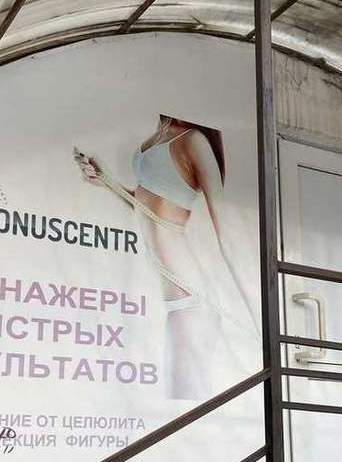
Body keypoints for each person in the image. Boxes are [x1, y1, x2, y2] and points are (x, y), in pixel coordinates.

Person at [73, 115, 258, 399]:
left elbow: (227, 237)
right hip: (175, 300)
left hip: (192, 299)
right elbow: (150, 208)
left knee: (187, 401)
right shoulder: (160, 130)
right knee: (180, 400)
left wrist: (261, 322)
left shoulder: (194, 140)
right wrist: (107, 181)